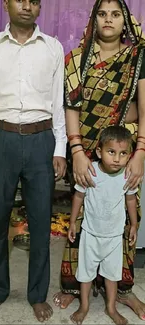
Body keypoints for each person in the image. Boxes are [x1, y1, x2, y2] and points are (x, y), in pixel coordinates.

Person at [54, 0, 145, 320]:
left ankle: (122, 290)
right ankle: (72, 287)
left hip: (125, 151)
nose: (109, 19)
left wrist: (140, 153)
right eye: (102, 13)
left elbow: (144, 108)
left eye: (116, 14)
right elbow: (71, 108)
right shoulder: (76, 60)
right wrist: (77, 152)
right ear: (94, 19)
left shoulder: (137, 58)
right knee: (82, 221)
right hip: (87, 152)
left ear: (126, 21)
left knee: (123, 219)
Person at [0, 0, 66, 323]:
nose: (27, 6)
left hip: (40, 139)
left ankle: (37, 294)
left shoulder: (52, 48)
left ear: (39, 9)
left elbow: (58, 101)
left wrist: (59, 148)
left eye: (34, 1)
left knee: (39, 221)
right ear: (6, 3)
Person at [68, 125, 138, 325]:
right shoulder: (90, 171)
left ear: (129, 155)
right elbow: (78, 196)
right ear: (99, 151)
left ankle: (111, 308)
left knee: (111, 275)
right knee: (86, 273)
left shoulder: (127, 175)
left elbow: (131, 200)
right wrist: (73, 222)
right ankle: (84, 306)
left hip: (114, 237)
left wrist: (133, 224)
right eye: (111, 152)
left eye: (123, 153)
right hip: (90, 235)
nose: (117, 159)